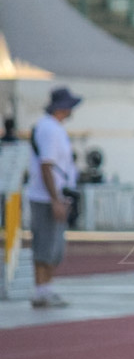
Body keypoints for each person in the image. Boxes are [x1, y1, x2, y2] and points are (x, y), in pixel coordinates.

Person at [27, 86, 82, 309]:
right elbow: (47, 166)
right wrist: (55, 199)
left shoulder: (53, 128)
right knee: (46, 244)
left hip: (52, 195)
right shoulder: (49, 129)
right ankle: (41, 290)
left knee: (53, 246)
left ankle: (46, 288)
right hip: (46, 197)